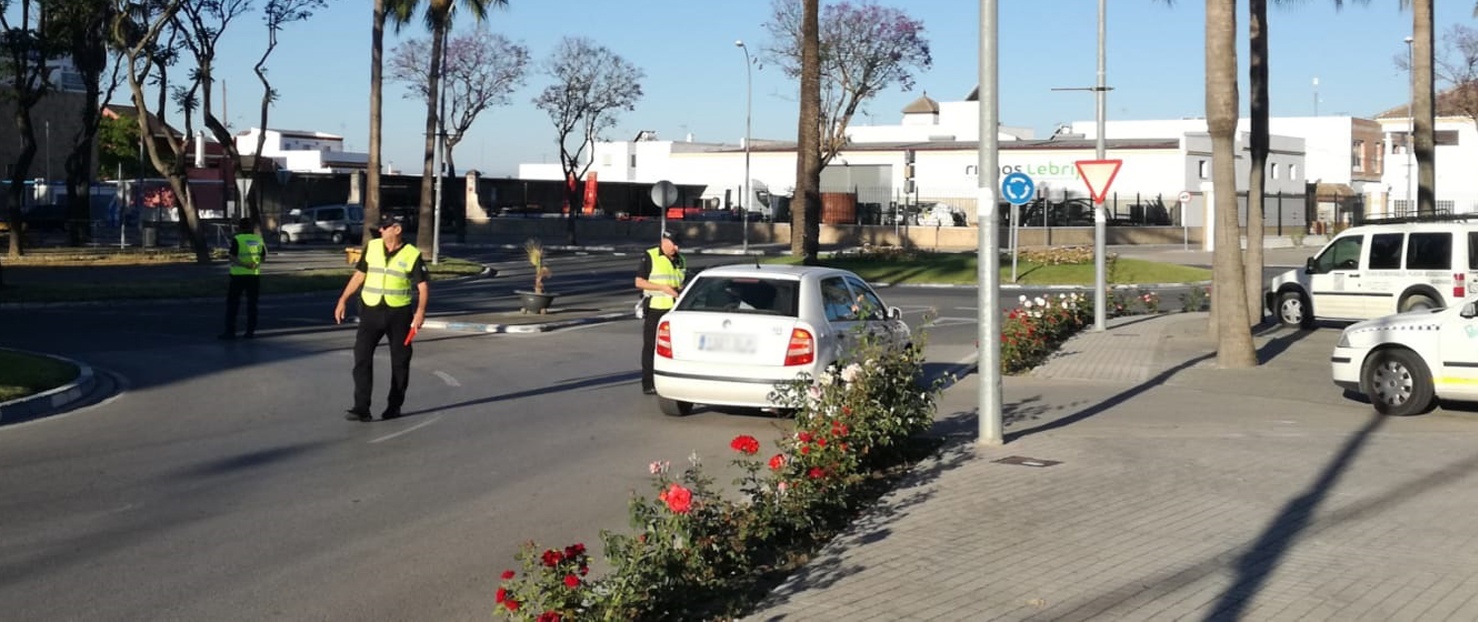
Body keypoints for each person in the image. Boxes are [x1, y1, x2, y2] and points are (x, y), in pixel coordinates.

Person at [333, 214, 429, 422]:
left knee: (400, 361)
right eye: (380, 228)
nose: (381, 231)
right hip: (371, 310)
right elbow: (359, 275)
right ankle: (361, 408)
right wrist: (343, 299)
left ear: (397, 229)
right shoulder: (372, 247)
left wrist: (420, 311)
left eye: (385, 227)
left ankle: (394, 406)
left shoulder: (412, 254)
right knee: (361, 356)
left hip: (399, 314)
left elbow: (422, 287)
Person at [634, 229, 686, 395]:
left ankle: (673, 380)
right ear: (664, 241)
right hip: (656, 307)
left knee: (675, 347)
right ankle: (648, 382)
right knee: (651, 346)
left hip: (675, 309)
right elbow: (639, 282)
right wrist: (662, 288)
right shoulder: (650, 256)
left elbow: (681, 280)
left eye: (678, 245)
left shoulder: (680, 259)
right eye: (674, 245)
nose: (676, 248)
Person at [220, 217, 266, 340]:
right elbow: (263, 257)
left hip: (238, 276)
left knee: (233, 304)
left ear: (240, 227)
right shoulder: (258, 239)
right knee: (252, 304)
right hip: (254, 276)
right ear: (251, 227)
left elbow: (232, 256)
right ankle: (250, 332)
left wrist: (244, 264)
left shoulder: (238, 239)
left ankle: (230, 332)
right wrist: (255, 264)